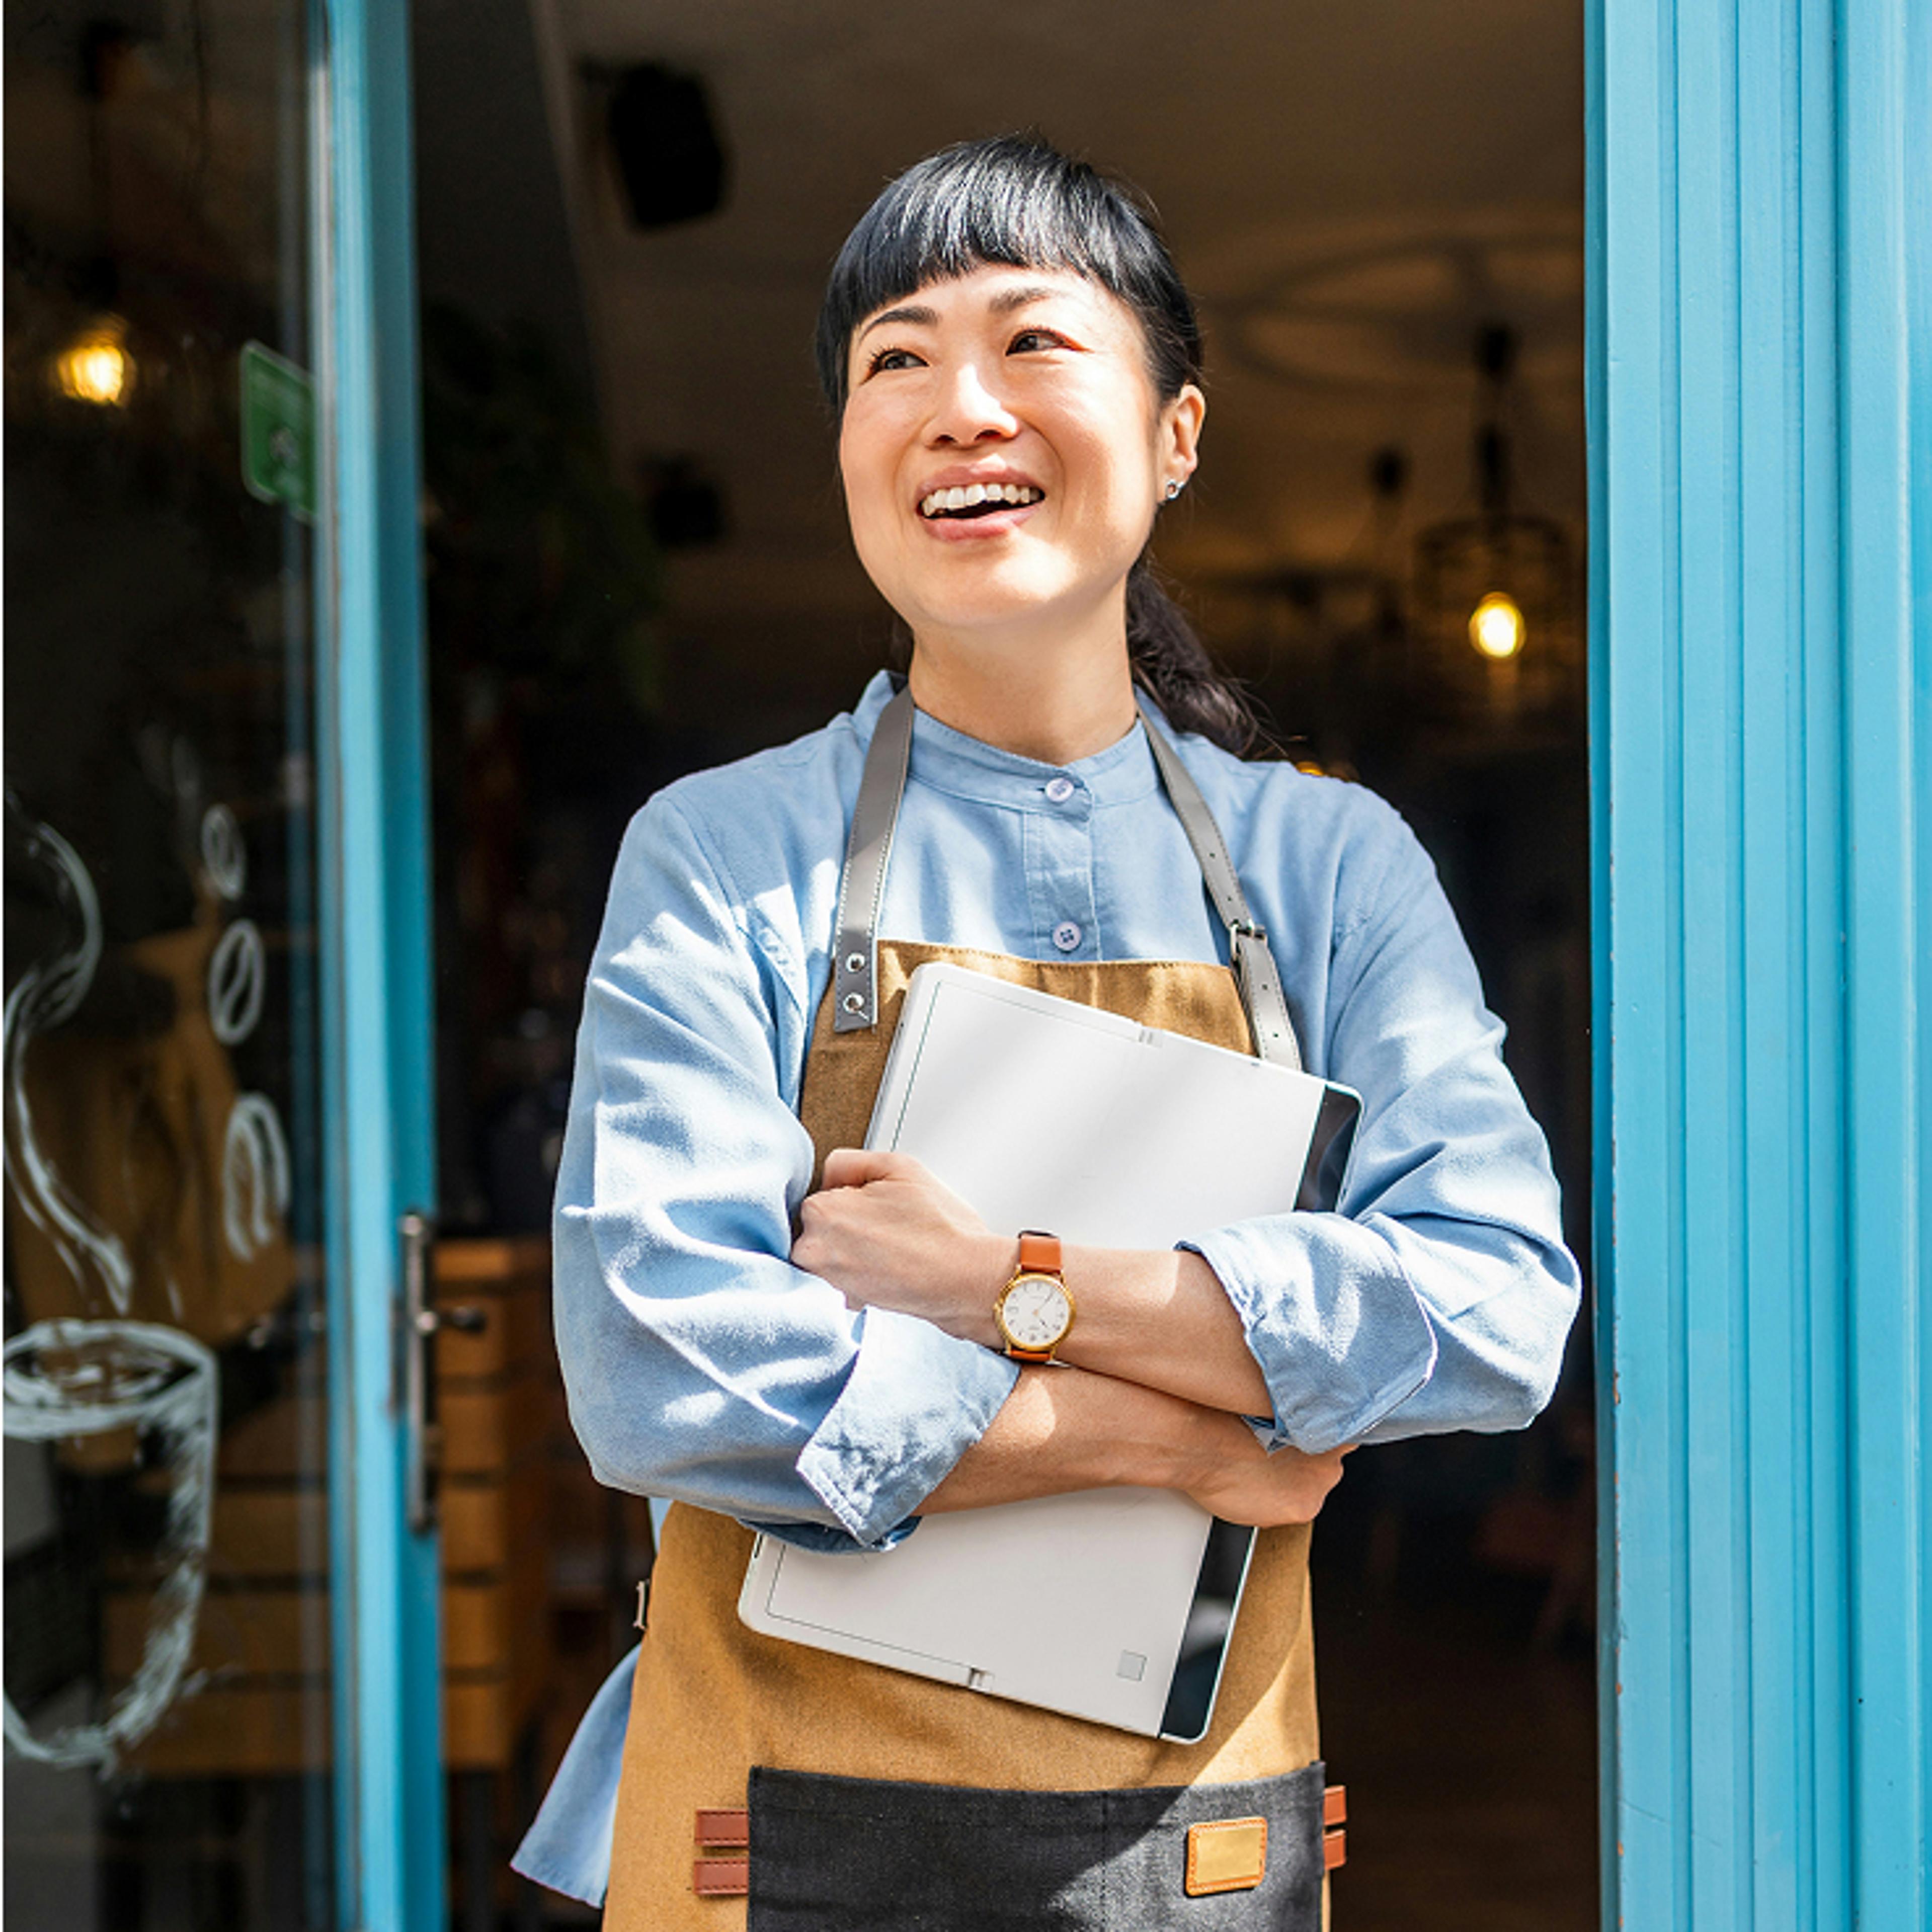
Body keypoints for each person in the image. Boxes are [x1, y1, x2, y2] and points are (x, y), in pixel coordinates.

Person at [523, 134, 1580, 1929]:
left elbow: (1494, 1302)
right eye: (898, 360)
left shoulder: (1328, 863)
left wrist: (1004, 1280)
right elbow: (659, 1367)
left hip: (1199, 1853)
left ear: (1176, 433)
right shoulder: (722, 854)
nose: (961, 405)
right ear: (850, 453)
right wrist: (1169, 1436)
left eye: (1032, 345)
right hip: (777, 1839)